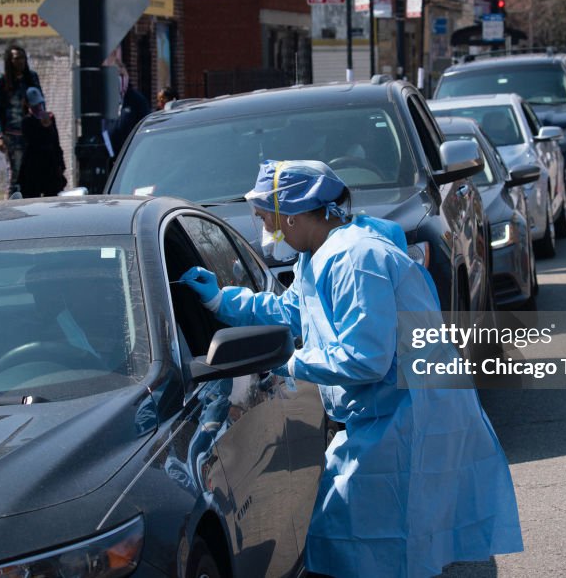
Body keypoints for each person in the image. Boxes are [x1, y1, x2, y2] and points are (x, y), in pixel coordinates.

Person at [180, 160, 523, 578]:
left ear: (291, 212)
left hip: (409, 415)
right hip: (384, 413)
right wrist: (222, 302)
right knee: (364, 541)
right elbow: (292, 310)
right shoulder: (321, 254)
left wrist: (287, 362)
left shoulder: (355, 259)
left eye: (264, 217)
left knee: (374, 540)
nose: (266, 229)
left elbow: (365, 358)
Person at [0, 45, 43, 196]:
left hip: (32, 134)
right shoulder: (2, 81)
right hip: (12, 135)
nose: (20, 62)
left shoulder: (31, 78)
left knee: (34, 173)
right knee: (15, 175)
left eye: (22, 58)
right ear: (9, 61)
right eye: (16, 58)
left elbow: (40, 103)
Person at [18, 87, 67, 198]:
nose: (38, 108)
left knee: (52, 196)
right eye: (35, 105)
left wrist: (60, 163)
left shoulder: (49, 117)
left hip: (50, 164)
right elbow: (33, 142)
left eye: (39, 104)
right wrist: (43, 127)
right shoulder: (27, 121)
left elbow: (55, 142)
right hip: (34, 166)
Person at [105, 70, 150, 158]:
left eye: (122, 76)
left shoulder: (136, 100)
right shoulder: (106, 100)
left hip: (131, 156)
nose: (119, 81)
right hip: (109, 158)